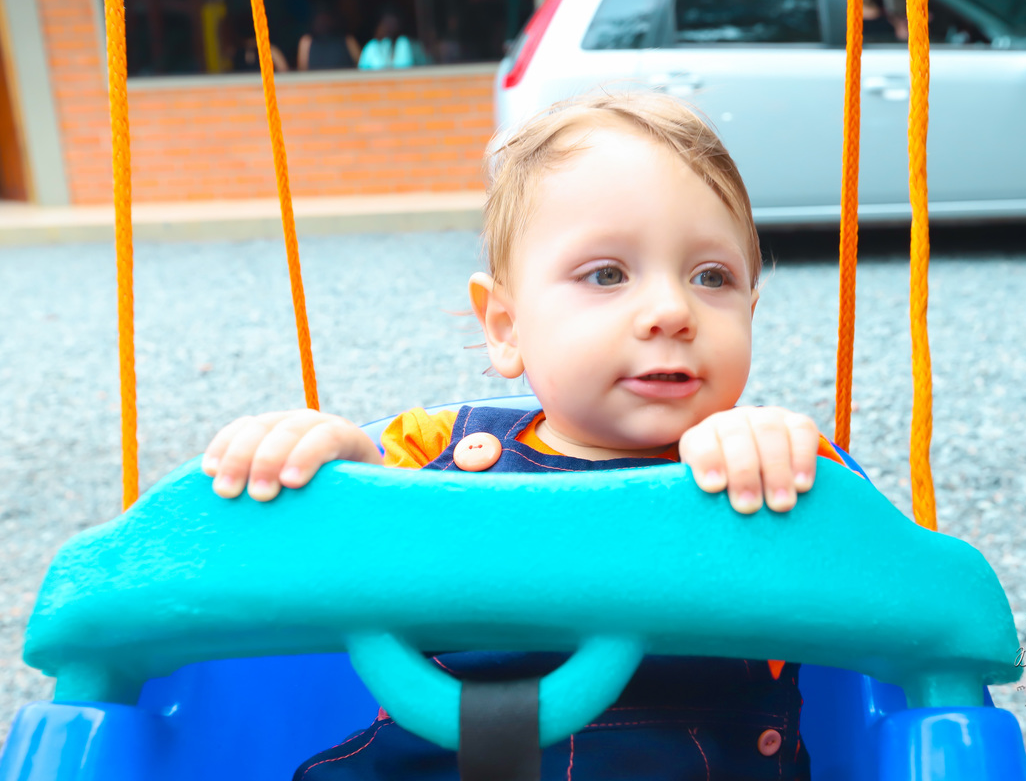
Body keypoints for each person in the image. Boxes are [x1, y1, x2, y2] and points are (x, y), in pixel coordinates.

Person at [202, 91, 863, 780]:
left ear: (751, 310)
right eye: (607, 274)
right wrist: (320, 454)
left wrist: (780, 469)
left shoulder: (759, 464)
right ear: (506, 325)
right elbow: (346, 515)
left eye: (711, 277)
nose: (672, 310)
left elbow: (869, 573)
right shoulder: (435, 450)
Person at [297, 4, 361, 71]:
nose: (322, 22)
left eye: (325, 18)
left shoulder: (348, 40)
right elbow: (302, 70)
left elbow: (360, 67)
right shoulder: (306, 42)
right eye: (319, 18)